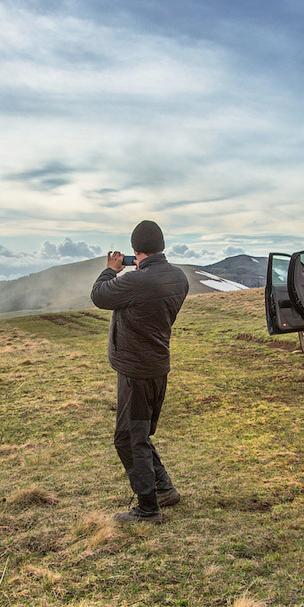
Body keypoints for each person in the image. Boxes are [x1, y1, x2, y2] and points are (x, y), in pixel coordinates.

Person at [91, 220, 190, 524]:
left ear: (136, 250)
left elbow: (99, 295)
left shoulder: (135, 282)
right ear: (161, 246)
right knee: (141, 433)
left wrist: (111, 269)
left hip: (135, 371)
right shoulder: (178, 278)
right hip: (158, 366)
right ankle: (163, 488)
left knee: (128, 437)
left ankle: (148, 508)